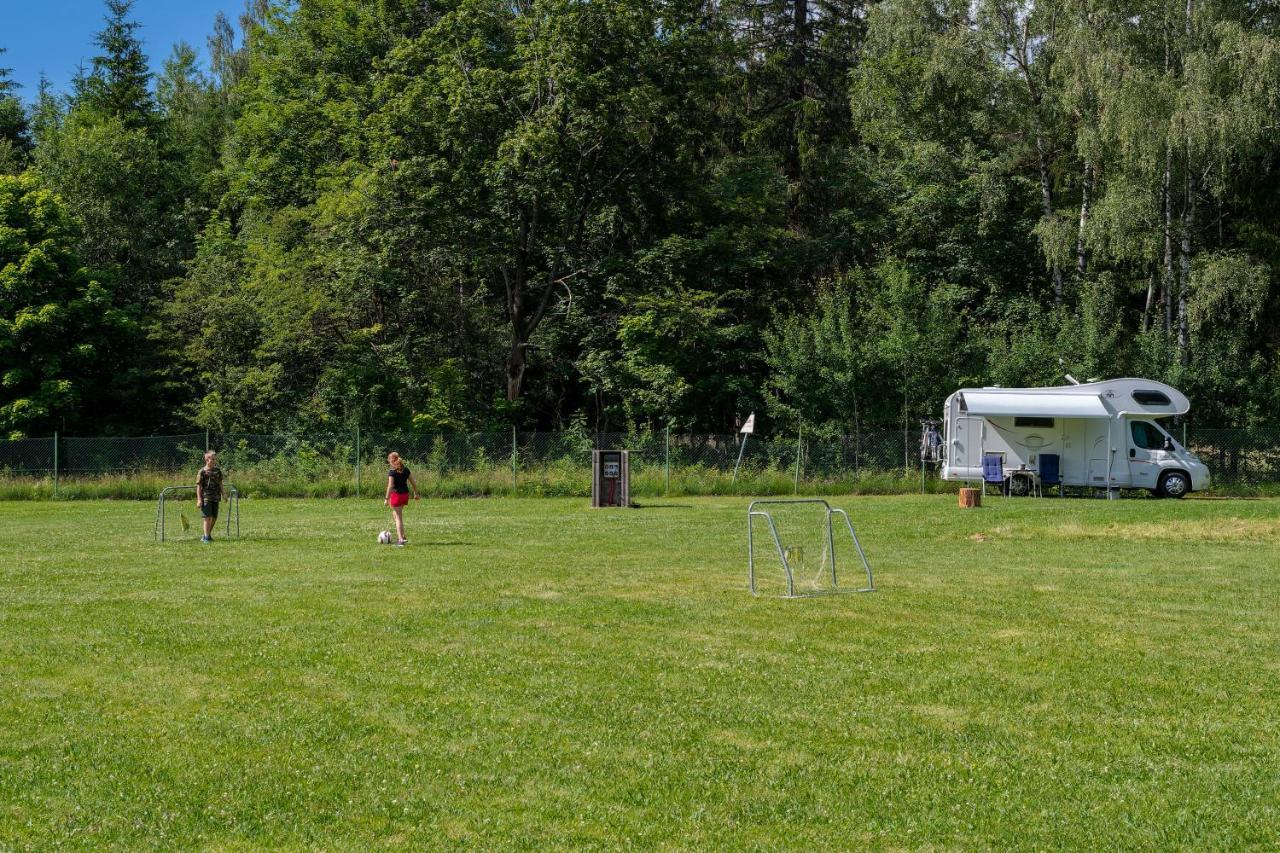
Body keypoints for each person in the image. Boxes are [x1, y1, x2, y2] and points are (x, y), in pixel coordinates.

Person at [384, 451, 419, 546]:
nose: (388, 460)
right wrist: (415, 493)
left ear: (391, 460)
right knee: (395, 514)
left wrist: (386, 498)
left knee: (399, 517)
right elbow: (413, 482)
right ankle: (403, 536)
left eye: (388, 459)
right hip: (405, 495)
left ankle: (400, 540)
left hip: (396, 495)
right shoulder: (406, 469)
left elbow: (390, 486)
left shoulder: (392, 471)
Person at [195, 450, 224, 543]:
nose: (214, 460)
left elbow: (220, 483)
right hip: (206, 497)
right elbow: (199, 486)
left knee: (214, 517)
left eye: (215, 459)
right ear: (207, 459)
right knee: (207, 517)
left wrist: (224, 493)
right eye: (212, 459)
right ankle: (207, 538)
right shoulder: (202, 472)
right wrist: (199, 500)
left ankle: (206, 535)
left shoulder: (217, 471)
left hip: (216, 497)